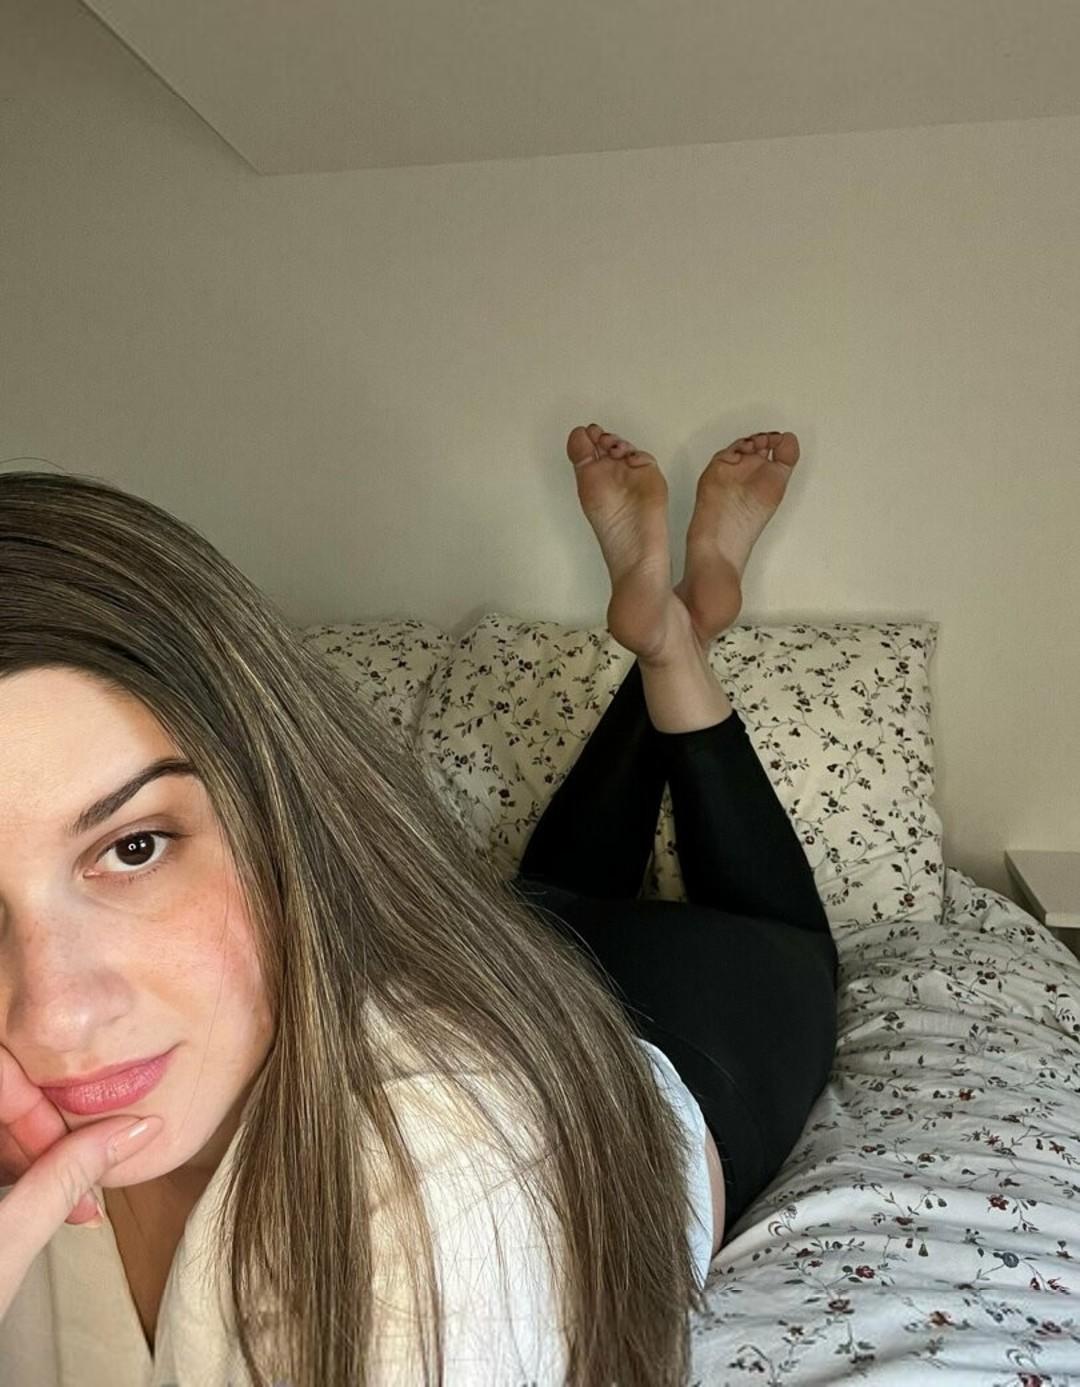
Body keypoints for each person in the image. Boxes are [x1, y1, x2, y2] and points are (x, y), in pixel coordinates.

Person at [0, 423, 837, 1386]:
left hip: (683, 1034)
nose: (53, 1020)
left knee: (791, 942)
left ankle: (679, 632)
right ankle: (675, 630)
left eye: (134, 846)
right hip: (507, 960)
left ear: (285, 803)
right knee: (544, 895)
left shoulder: (438, 1174)